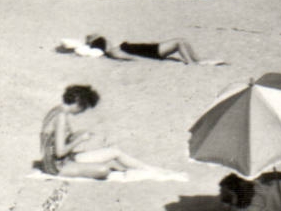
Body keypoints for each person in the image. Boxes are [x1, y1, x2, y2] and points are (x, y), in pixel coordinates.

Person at [38, 84, 170, 180]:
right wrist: (80, 139)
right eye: (84, 108)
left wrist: (77, 135)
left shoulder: (56, 111)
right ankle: (150, 170)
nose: (82, 111)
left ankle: (148, 170)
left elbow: (53, 141)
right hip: (57, 167)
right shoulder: (61, 117)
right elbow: (60, 152)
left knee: (114, 152)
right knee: (103, 170)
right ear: (79, 104)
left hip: (60, 160)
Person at [84, 33, 208, 65]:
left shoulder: (114, 49)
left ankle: (197, 60)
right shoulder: (113, 51)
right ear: (104, 42)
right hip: (153, 52)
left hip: (152, 48)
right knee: (179, 42)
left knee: (182, 40)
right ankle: (191, 63)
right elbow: (132, 58)